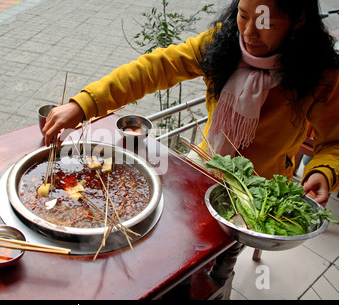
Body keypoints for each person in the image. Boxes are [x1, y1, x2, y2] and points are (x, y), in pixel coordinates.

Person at [42, 0, 339, 207]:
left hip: (260, 188)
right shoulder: (222, 44)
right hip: (206, 166)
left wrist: (322, 172)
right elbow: (153, 69)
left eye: (266, 23)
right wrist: (83, 105)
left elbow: (334, 143)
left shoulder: (321, 74)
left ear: (298, 18)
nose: (249, 33)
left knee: (223, 259)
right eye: (244, 15)